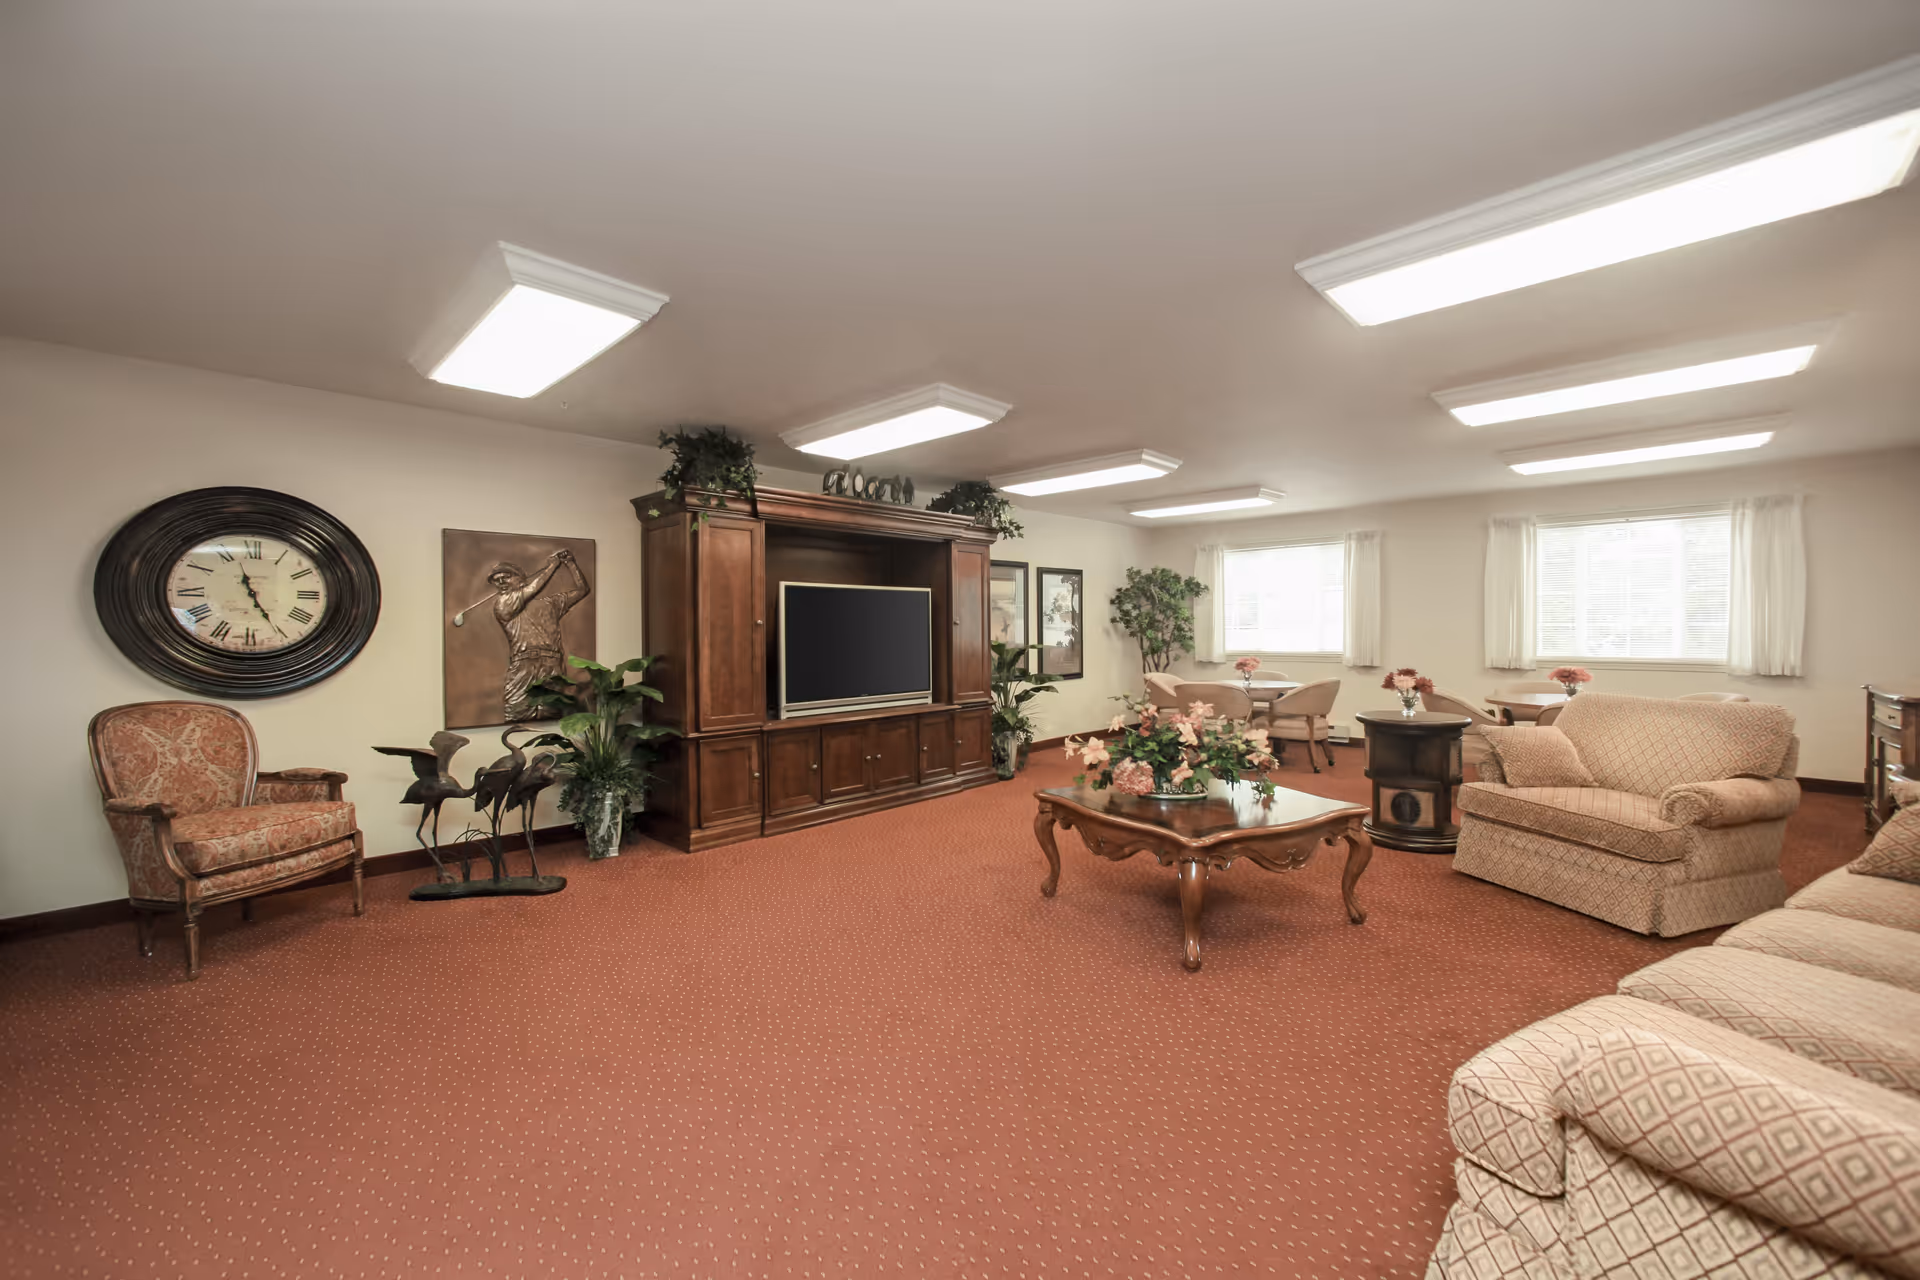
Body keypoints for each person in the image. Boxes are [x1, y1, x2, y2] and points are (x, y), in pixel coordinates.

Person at [488, 548, 589, 721]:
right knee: (517, 714)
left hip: (552, 663)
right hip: (524, 665)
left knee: (552, 714)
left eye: (506, 577)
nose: (501, 582)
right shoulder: (503, 603)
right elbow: (534, 588)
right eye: (497, 580)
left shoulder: (551, 604)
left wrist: (571, 564)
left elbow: (582, 590)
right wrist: (552, 567)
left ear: (521, 579)